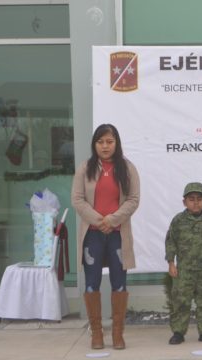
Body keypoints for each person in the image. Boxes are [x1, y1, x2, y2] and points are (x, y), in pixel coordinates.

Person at [72, 124, 140, 350]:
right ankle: (97, 334)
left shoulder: (127, 168)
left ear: (116, 143)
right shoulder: (85, 168)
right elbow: (78, 200)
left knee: (119, 284)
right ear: (94, 144)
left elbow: (133, 199)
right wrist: (99, 220)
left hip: (117, 235)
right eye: (100, 142)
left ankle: (118, 335)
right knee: (91, 284)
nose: (105, 146)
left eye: (109, 142)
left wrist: (111, 220)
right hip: (92, 235)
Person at [165, 182, 202, 345]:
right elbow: (170, 242)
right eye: (191, 199)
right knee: (181, 302)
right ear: (184, 202)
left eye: (199, 199)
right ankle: (178, 332)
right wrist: (171, 263)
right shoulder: (178, 221)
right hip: (184, 271)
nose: (195, 203)